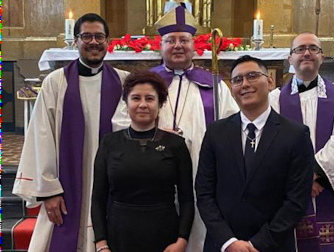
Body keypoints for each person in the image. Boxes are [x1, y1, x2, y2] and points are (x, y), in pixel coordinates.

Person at [112, 5, 239, 252]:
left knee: (199, 229)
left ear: (195, 45)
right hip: (152, 173)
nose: (178, 45)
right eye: (171, 40)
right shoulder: (144, 84)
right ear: (160, 46)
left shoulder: (214, 85)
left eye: (184, 40)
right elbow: (120, 122)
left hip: (199, 170)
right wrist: (154, 136)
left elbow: (232, 127)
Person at [12, 13, 129, 252]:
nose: (94, 42)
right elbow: (41, 136)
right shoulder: (56, 82)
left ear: (108, 41)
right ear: (75, 41)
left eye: (99, 36)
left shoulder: (123, 81)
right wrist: (49, 190)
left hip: (112, 185)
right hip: (66, 187)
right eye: (86, 36)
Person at [196, 55, 314, 252]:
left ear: (269, 81)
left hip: (273, 245)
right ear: (232, 89)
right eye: (237, 80)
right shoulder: (216, 132)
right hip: (222, 245)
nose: (245, 84)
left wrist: (257, 243)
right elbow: (204, 192)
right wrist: (228, 241)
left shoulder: (296, 134)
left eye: (252, 76)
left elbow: (297, 200)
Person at [269, 32, 334, 252]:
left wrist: (315, 175)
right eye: (300, 49)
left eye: (313, 48)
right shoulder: (274, 100)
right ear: (290, 58)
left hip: (329, 189)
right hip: (290, 194)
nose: (307, 53)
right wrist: (301, 181)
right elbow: (272, 146)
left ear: (322, 56)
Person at [91, 71, 195, 252]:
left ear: (160, 103)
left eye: (149, 98)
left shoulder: (176, 144)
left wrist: (182, 240)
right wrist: (101, 243)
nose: (142, 105)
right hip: (119, 234)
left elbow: (187, 199)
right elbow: (98, 198)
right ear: (126, 103)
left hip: (164, 235)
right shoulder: (109, 143)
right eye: (136, 98)